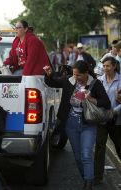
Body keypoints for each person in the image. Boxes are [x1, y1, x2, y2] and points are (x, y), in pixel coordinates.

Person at [43, 60, 111, 190]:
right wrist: (49, 74)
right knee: (79, 157)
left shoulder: (95, 84)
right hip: (71, 124)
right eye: (74, 74)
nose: (76, 77)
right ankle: (87, 178)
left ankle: (88, 185)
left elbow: (106, 103)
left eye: (79, 75)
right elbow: (52, 82)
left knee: (86, 155)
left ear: (86, 73)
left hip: (88, 124)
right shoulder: (69, 80)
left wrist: (91, 99)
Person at [94, 56, 121, 185]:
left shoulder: (120, 80)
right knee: (99, 146)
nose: (105, 68)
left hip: (117, 120)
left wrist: (115, 111)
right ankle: (97, 176)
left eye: (108, 66)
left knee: (119, 147)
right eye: (104, 66)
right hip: (102, 120)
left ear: (114, 66)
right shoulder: (99, 81)